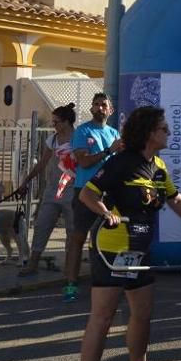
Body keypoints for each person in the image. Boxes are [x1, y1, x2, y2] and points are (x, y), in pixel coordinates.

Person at [77, 106, 181, 361]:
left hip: (139, 251)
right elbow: (87, 194)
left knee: (142, 312)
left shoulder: (158, 166)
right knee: (103, 316)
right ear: (149, 133)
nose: (169, 132)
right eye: (163, 128)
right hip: (112, 250)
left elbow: (176, 200)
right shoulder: (121, 162)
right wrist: (106, 212)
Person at [66, 93, 123, 303]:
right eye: (96, 105)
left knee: (104, 239)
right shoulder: (83, 131)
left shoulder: (114, 133)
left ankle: (103, 281)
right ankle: (71, 284)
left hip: (109, 194)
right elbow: (84, 162)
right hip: (85, 191)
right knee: (78, 238)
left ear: (110, 110)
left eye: (103, 105)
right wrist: (109, 150)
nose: (99, 108)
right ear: (91, 109)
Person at [16, 103, 78, 277]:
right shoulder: (53, 140)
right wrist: (26, 181)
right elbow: (42, 164)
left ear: (67, 122)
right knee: (42, 225)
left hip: (72, 191)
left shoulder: (79, 138)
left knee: (72, 231)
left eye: (56, 122)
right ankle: (33, 264)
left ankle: (70, 268)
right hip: (52, 190)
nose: (54, 125)